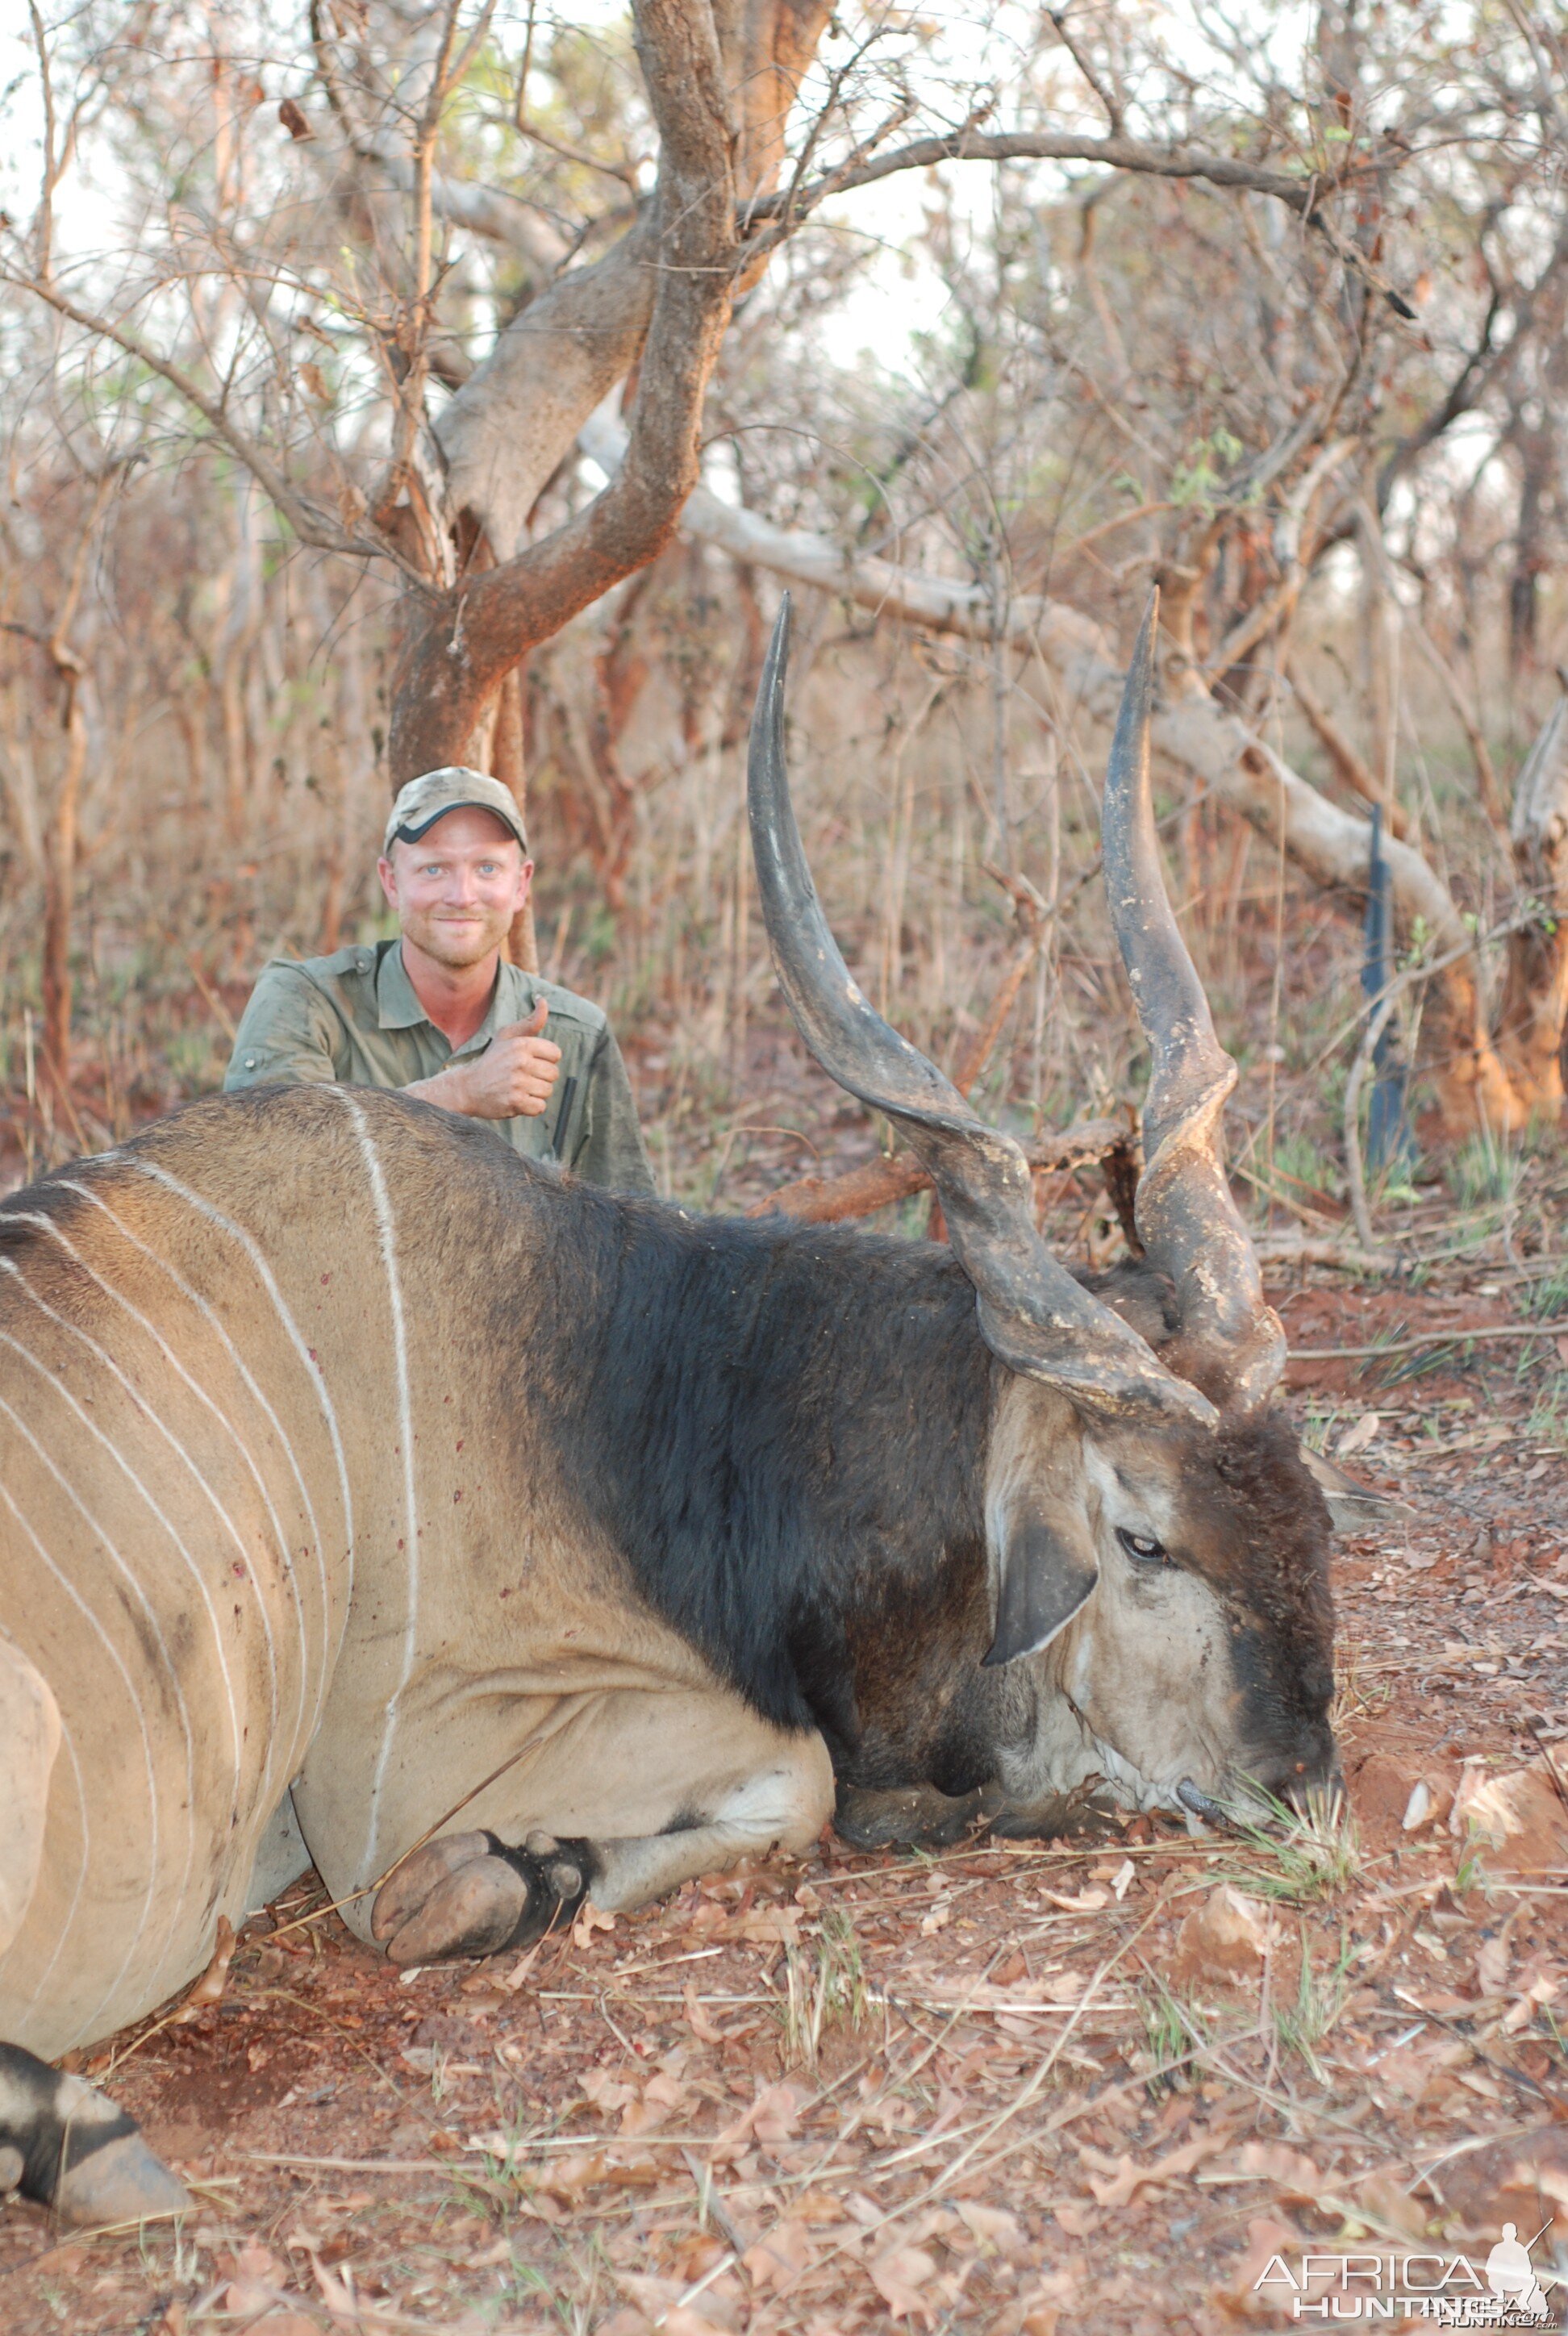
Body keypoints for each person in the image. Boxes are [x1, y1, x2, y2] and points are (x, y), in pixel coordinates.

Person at [225, 766, 655, 1194]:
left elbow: (634, 1230)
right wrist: (460, 1091)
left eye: (487, 868)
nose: (462, 895)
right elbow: (268, 1173)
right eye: (434, 869)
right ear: (391, 883)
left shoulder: (577, 1034)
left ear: (521, 884)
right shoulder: (304, 1000)